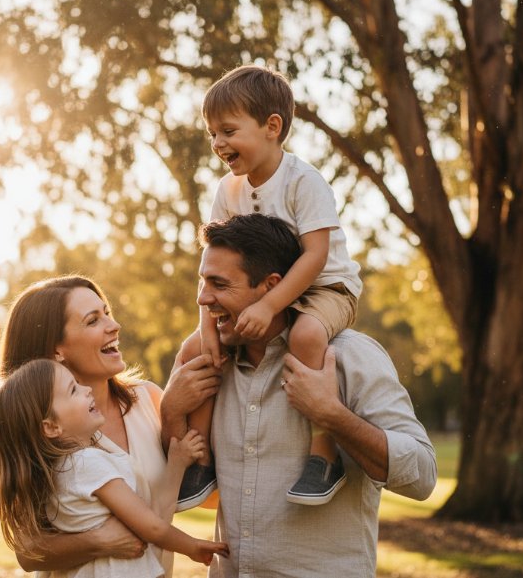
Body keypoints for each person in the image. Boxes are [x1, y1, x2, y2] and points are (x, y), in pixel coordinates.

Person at [162, 214, 437, 577]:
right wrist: (170, 411)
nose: (203, 297)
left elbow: (422, 477)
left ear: (271, 287)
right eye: (203, 282)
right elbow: (175, 486)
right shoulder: (209, 367)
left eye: (219, 284)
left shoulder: (350, 357)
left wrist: (331, 417)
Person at [176, 64, 364, 508]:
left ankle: (324, 454)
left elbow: (315, 256)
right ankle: (201, 461)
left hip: (326, 288)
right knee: (197, 351)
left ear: (271, 127)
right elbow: (215, 262)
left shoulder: (304, 181)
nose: (218, 144)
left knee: (306, 334)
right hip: (262, 294)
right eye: (211, 134)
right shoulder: (229, 190)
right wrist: (207, 324)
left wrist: (269, 306)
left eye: (227, 130)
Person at [0, 276, 181, 575]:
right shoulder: (44, 433)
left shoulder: (150, 400)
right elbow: (27, 552)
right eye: (93, 321)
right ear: (57, 350)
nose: (113, 325)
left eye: (107, 312)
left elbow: (203, 490)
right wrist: (96, 541)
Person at [0, 359, 229, 578]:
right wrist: (192, 547)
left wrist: (176, 463)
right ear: (51, 427)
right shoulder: (89, 464)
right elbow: (151, 525)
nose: (86, 389)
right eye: (73, 390)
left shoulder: (54, 472)